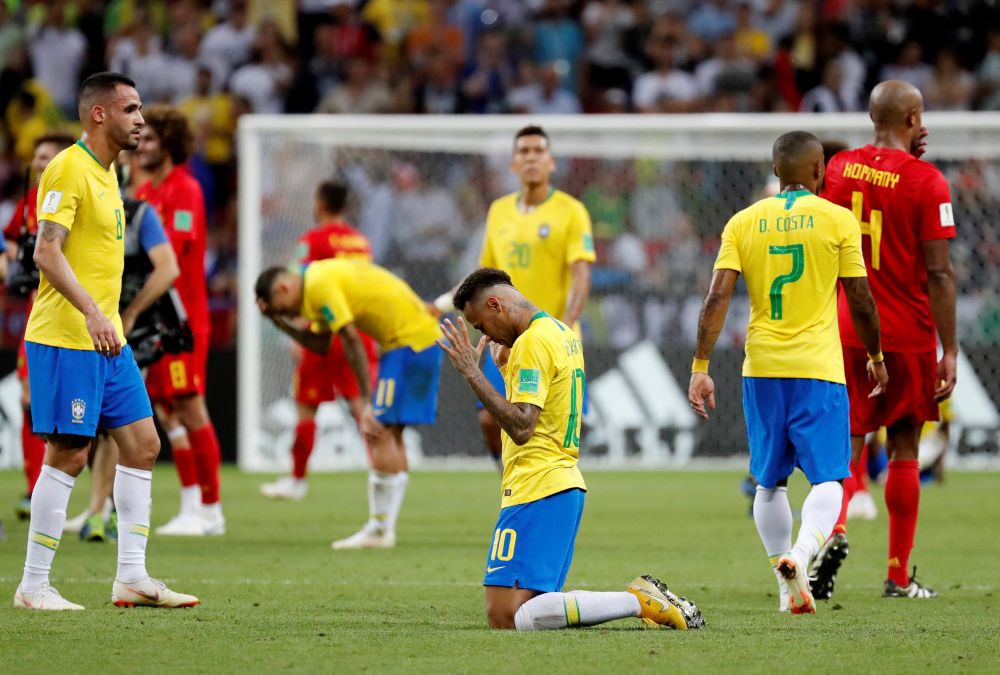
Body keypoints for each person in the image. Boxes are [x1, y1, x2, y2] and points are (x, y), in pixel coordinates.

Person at [14, 71, 197, 610]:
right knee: (69, 453)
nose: (141, 119)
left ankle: (132, 577)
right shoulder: (68, 168)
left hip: (106, 339)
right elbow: (46, 252)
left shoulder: (109, 174)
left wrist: (109, 320)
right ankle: (33, 585)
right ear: (100, 113)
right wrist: (95, 312)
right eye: (131, 109)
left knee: (143, 445)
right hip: (69, 334)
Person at [688, 131, 887, 615]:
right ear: (820, 171)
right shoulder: (838, 220)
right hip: (818, 369)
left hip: (762, 369)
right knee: (830, 482)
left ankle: (783, 579)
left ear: (776, 172)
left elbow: (717, 297)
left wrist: (700, 366)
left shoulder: (743, 222)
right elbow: (859, 297)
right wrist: (876, 356)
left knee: (769, 483)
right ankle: (800, 557)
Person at [439, 268, 704, 631]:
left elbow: (522, 426)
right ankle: (640, 601)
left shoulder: (533, 342)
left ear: (495, 305)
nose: (482, 335)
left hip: (538, 486)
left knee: (504, 615)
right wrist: (503, 371)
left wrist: (473, 372)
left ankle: (638, 601)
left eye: (480, 324)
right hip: (557, 485)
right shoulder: (559, 332)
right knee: (524, 612)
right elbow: (542, 409)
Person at [812, 80, 957, 600]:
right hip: (907, 332)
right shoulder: (927, 181)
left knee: (846, 443)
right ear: (914, 118)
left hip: (848, 325)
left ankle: (834, 533)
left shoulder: (839, 167)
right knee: (903, 446)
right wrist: (952, 349)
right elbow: (939, 274)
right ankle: (898, 575)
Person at [433, 125, 595, 464]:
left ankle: (554, 488)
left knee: (555, 428)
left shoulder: (571, 211)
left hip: (551, 337)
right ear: (513, 164)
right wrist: (441, 304)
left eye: (538, 151)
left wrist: (563, 326)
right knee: (490, 421)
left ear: (551, 162)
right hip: (503, 339)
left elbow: (581, 277)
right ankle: (510, 483)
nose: (531, 157)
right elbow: (481, 276)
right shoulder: (499, 211)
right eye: (524, 151)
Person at [255, 259, 443, 549]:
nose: (290, 314)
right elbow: (320, 345)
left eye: (283, 308)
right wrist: (278, 322)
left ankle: (379, 529)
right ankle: (384, 528)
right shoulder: (315, 284)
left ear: (283, 287)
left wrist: (367, 400)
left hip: (407, 342)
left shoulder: (318, 285)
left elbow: (352, 340)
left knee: (376, 429)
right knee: (391, 433)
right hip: (419, 338)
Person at [65, 193, 181, 542]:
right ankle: (102, 509)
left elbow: (168, 268)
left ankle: (105, 511)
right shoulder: (77, 208)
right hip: (84, 327)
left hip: (134, 332)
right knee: (93, 432)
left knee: (121, 425)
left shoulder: (140, 214)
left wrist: (131, 313)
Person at [135, 105, 225, 536]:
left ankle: (211, 510)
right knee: (168, 409)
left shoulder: (185, 190)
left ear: (169, 143)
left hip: (182, 321)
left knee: (190, 406)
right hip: (155, 321)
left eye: (150, 139)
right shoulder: (148, 194)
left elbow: (176, 250)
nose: (141, 145)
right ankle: (191, 505)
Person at [260, 181, 379, 500]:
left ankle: (297, 480)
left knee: (307, 410)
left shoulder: (312, 240)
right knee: (362, 406)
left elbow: (302, 287)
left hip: (323, 330)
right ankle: (381, 475)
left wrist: (298, 332)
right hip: (356, 331)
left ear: (321, 203)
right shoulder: (361, 242)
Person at [4, 132, 76, 520]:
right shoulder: (32, 199)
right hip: (39, 314)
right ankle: (37, 491)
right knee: (29, 400)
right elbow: (14, 240)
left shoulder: (76, 193)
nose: (38, 163)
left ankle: (104, 500)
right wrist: (20, 264)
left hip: (78, 314)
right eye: (36, 157)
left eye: (47, 157)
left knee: (88, 412)